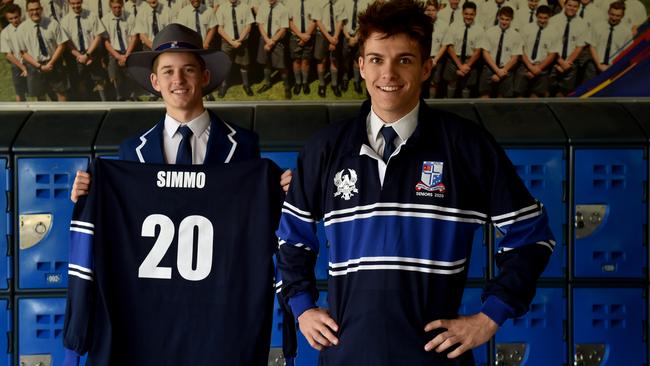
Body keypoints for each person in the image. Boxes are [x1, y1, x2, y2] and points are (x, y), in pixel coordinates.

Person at [275, 0, 553, 365]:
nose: (388, 73)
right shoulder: (326, 148)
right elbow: (291, 237)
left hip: (435, 358)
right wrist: (302, 306)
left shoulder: (466, 146)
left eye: (404, 60)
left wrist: (490, 317)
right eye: (376, 59)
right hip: (348, 354)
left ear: (425, 68)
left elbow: (532, 237)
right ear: (361, 66)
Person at [71, 24, 292, 202]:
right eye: (168, 71)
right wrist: (88, 197)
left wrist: (285, 192)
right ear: (155, 81)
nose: (178, 80)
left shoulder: (244, 144)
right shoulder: (132, 151)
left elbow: (254, 212)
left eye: (188, 69)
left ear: (204, 77)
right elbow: (120, 217)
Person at [17, 0, 69, 101]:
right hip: (35, 66)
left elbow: (62, 44)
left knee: (61, 92)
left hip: (54, 63)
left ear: (41, 9)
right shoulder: (22, 29)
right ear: (27, 11)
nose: (34, 12)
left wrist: (51, 63)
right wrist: (39, 66)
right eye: (31, 10)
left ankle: (63, 116)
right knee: (40, 96)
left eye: (37, 9)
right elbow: (23, 52)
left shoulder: (52, 23)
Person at [60, 0, 109, 100]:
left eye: (78, 3)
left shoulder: (92, 16)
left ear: (81, 2)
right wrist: (79, 56)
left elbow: (98, 36)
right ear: (69, 3)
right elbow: (67, 43)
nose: (76, 5)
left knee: (99, 80)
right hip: (75, 55)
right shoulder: (65, 21)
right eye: (73, 3)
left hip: (92, 52)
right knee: (80, 81)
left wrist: (87, 55)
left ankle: (104, 103)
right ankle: (85, 103)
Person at [513, 4, 557, 97]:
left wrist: (538, 68)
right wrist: (530, 67)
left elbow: (552, 54)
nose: (542, 20)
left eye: (545, 18)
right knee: (519, 95)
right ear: (536, 16)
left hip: (542, 67)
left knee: (536, 96)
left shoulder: (554, 32)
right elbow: (521, 49)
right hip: (525, 65)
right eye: (540, 17)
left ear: (550, 17)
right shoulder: (526, 28)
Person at [478, 6, 522, 98]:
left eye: (507, 19)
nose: (504, 22)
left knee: (502, 98)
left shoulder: (516, 35)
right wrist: (497, 70)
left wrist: (502, 71)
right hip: (490, 67)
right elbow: (485, 53)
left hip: (506, 69)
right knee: (484, 95)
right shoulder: (490, 32)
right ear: (498, 17)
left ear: (511, 20)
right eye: (502, 19)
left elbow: (515, 58)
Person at [215, 0, 255, 97]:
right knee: (225, 64)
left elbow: (248, 26)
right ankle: (224, 85)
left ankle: (246, 85)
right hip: (227, 41)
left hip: (242, 41)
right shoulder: (222, 8)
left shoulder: (245, 7)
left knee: (244, 64)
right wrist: (231, 41)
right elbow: (220, 29)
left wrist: (240, 40)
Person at [442, 1, 481, 98]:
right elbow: (449, 47)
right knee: (451, 83)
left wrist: (467, 66)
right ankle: (449, 106)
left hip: (470, 60)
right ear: (462, 13)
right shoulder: (454, 26)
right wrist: (460, 65)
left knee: (466, 86)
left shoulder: (479, 29)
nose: (468, 17)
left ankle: (464, 110)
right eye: (466, 14)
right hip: (454, 59)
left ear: (475, 14)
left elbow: (478, 51)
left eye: (471, 14)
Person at [548, 0, 587, 96]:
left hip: (571, 63)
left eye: (575, 6)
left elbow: (579, 47)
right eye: (569, 5)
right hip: (553, 60)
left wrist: (566, 64)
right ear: (564, 5)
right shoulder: (554, 20)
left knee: (564, 92)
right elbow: (550, 44)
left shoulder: (582, 24)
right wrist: (560, 62)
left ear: (578, 8)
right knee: (548, 89)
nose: (572, 8)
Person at [255, 0, 291, 99]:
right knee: (266, 62)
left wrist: (272, 42)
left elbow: (283, 28)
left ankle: (287, 86)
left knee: (281, 65)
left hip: (277, 40)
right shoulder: (263, 6)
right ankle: (267, 83)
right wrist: (267, 40)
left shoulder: (283, 9)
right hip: (264, 38)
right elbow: (260, 25)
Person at [102, 0, 137, 100]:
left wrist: (126, 55)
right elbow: (106, 42)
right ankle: (118, 96)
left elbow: (133, 37)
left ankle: (131, 96)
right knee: (113, 75)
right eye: (114, 7)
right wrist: (118, 56)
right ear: (110, 7)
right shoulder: (105, 19)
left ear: (122, 5)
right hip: (114, 51)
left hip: (128, 50)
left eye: (119, 7)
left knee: (130, 75)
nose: (117, 10)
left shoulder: (130, 17)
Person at [313, 0, 346, 97]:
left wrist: (335, 37)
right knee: (321, 61)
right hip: (323, 35)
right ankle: (322, 85)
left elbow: (340, 21)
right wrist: (329, 38)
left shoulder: (340, 3)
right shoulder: (319, 3)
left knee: (334, 61)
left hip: (335, 35)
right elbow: (318, 22)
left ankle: (334, 84)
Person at [589, 1, 632, 74]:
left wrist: (613, 67)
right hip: (594, 66)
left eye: (618, 16)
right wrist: (599, 65)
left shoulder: (627, 32)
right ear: (608, 12)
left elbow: (626, 53)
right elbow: (592, 46)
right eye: (612, 14)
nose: (614, 18)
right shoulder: (597, 26)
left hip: (614, 68)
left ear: (622, 16)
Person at [287, 0, 317, 95]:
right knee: (296, 60)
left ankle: (305, 82)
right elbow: (290, 22)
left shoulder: (313, 2)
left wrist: (306, 36)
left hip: (308, 36)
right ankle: (298, 82)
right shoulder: (290, 2)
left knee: (306, 61)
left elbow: (314, 20)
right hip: (295, 36)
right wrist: (300, 35)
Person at [1, 3, 28, 101]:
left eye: (16, 17)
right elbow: (8, 54)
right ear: (7, 19)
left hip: (31, 62)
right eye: (10, 19)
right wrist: (22, 67)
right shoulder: (5, 33)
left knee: (37, 90)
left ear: (20, 15)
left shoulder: (27, 26)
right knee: (19, 92)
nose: (14, 20)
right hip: (17, 64)